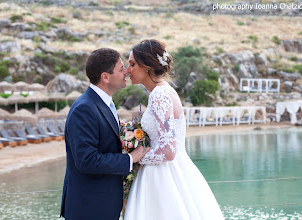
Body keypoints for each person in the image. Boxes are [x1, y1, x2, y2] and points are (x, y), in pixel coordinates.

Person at [124, 39, 224, 219]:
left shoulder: (160, 94)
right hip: (166, 170)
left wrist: (137, 156)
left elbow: (169, 151)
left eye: (132, 64)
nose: (127, 70)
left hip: (165, 175)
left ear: (147, 66)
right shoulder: (162, 91)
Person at [60, 48, 150, 220]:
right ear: (105, 77)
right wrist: (131, 159)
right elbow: (87, 161)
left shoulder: (104, 103)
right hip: (89, 208)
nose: (126, 71)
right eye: (121, 68)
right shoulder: (84, 109)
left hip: (103, 204)